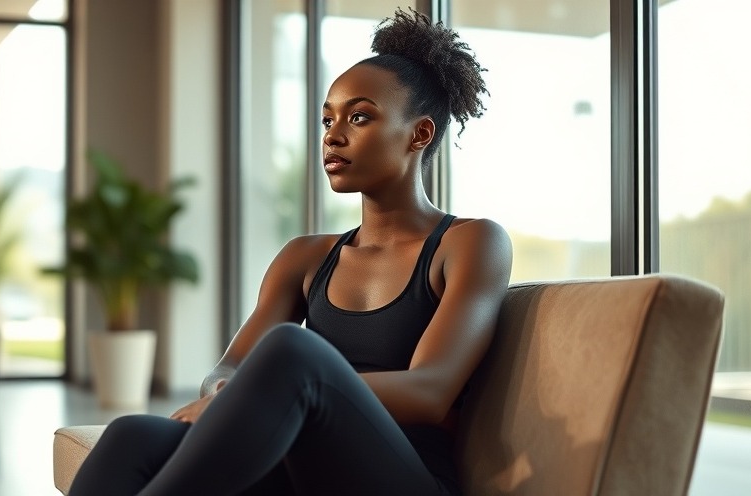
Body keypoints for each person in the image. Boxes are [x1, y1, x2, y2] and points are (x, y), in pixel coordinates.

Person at [69, 7, 512, 496]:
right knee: (132, 434)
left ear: (420, 134)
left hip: (405, 479)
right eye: (328, 119)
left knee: (294, 352)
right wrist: (228, 394)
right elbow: (227, 370)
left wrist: (284, 386)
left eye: (359, 117)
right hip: (303, 468)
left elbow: (431, 391)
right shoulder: (306, 257)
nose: (332, 135)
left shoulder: (470, 242)